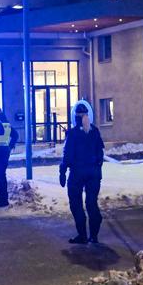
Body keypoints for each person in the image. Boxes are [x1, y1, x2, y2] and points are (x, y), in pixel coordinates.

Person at [58, 102, 104, 244]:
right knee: (91, 203)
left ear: (75, 117)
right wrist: (96, 167)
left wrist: (62, 171)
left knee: (76, 203)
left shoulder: (72, 134)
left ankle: (82, 235)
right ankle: (94, 236)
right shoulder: (95, 131)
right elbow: (100, 153)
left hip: (77, 173)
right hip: (94, 173)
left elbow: (67, 155)